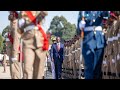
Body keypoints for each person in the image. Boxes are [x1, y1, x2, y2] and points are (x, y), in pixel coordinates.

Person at [79, 11, 110, 79]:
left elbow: (107, 15)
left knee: (97, 69)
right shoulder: (83, 12)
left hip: (99, 40)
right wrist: (80, 25)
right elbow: (79, 29)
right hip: (88, 40)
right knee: (89, 68)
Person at [18, 11, 49, 79]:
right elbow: (20, 29)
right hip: (28, 41)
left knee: (38, 70)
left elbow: (45, 13)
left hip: (40, 41)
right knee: (27, 68)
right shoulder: (23, 12)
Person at [8, 11, 21, 79]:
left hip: (14, 53)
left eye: (10, 14)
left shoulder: (15, 26)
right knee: (12, 72)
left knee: (15, 72)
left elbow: (16, 40)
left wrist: (14, 54)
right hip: (12, 52)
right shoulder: (12, 24)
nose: (9, 15)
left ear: (14, 15)